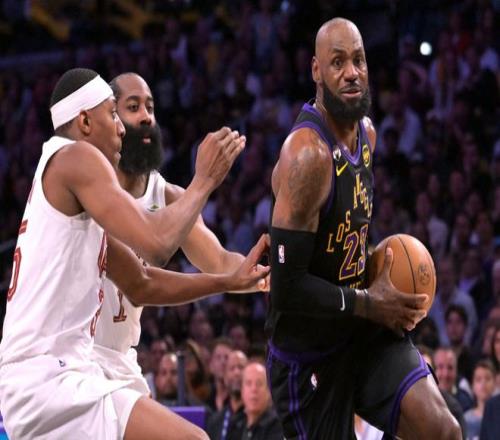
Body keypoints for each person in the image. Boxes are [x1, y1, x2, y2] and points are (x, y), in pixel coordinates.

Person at [0, 68, 269, 440]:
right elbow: (156, 246)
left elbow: (141, 283)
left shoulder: (79, 193)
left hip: (71, 370)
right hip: (54, 373)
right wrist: (204, 180)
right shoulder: (77, 156)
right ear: (84, 121)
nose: (124, 128)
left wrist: (228, 281)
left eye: (149, 107)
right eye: (115, 112)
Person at [265, 18, 461, 439]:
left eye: (358, 60)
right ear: (316, 71)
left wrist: (382, 280)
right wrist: (371, 302)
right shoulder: (308, 155)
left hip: (358, 331)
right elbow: (286, 287)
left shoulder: (367, 134)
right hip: (308, 357)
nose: (351, 72)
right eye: (337, 62)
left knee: (443, 431)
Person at [92, 72, 268, 401]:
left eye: (150, 107)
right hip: (77, 354)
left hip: (120, 358)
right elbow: (150, 265)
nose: (146, 116)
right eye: (133, 107)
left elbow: (219, 261)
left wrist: (268, 275)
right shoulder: (91, 185)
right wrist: (203, 181)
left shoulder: (169, 196)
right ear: (112, 119)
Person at [206, 350, 248, 440]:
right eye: (232, 368)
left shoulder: (258, 417)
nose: (236, 373)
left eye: (241, 367)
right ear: (225, 377)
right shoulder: (215, 421)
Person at [463, 360, 496, 439]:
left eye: (487, 378)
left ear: (494, 383)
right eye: (478, 379)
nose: (483, 383)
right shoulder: (466, 419)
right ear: (472, 386)